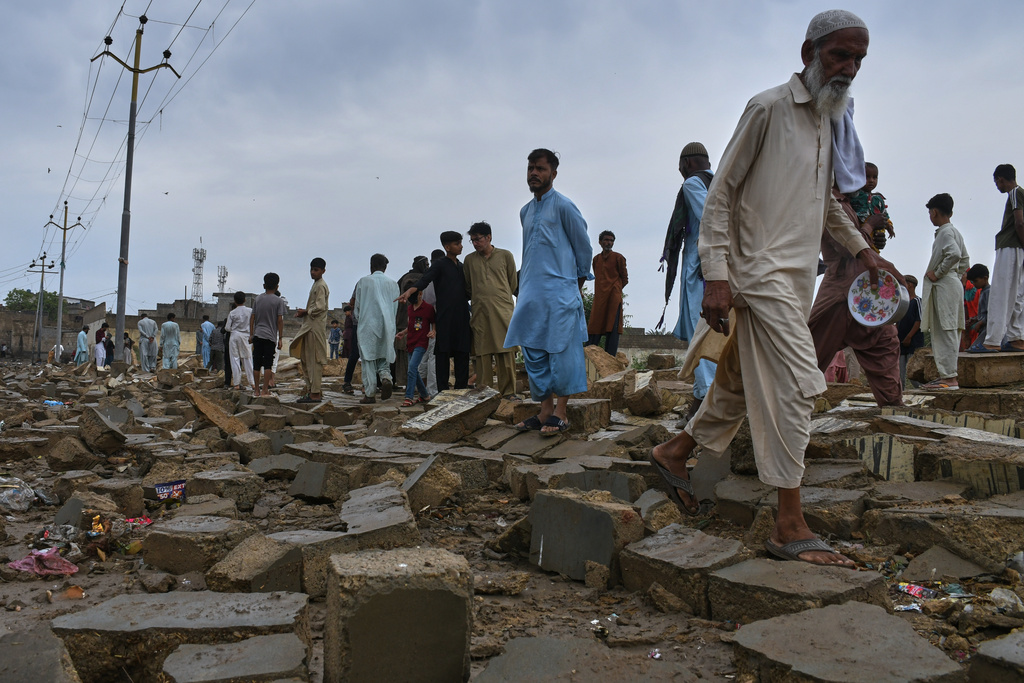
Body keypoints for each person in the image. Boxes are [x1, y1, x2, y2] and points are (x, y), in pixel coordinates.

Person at [649, 10, 886, 567]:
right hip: (757, 274)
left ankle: (675, 450)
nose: (848, 69)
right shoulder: (768, 108)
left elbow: (826, 202)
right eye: (839, 57)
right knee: (799, 382)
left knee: (736, 378)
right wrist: (716, 275)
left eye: (858, 60)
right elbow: (721, 196)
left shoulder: (831, 121)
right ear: (809, 52)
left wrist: (865, 252)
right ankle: (788, 522)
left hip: (797, 277)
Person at [505, 148, 593, 435]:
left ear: (553, 173)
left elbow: (584, 248)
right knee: (533, 352)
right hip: (531, 294)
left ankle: (561, 413)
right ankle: (544, 411)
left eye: (540, 169)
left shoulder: (565, 206)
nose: (534, 173)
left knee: (563, 352)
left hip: (561, 292)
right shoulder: (525, 211)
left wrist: (575, 286)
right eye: (531, 168)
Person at [809, 187, 903, 407]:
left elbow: (863, 246)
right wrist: (869, 226)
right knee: (809, 356)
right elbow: (844, 245)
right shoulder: (832, 201)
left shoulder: (857, 202)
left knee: (885, 343)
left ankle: (893, 411)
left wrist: (873, 236)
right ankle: (782, 409)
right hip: (840, 294)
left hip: (865, 292)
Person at [663, 143, 718, 422]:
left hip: (703, 272)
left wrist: (708, 268)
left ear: (687, 163)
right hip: (715, 270)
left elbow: (711, 220)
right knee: (711, 336)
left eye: (680, 165)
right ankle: (700, 404)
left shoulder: (693, 184)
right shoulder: (719, 180)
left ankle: (704, 408)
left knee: (703, 338)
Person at [398, 234, 472, 391]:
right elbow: (425, 280)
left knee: (462, 353)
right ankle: (442, 391)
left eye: (461, 243)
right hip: (444, 316)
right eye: (457, 243)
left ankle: (461, 390)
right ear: (447, 247)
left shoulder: (461, 266)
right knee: (442, 355)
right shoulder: (440, 265)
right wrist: (411, 290)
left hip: (462, 316)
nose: (461, 246)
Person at [464, 222, 519, 398]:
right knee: (482, 355)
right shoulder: (469, 260)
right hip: (480, 312)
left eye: (478, 239)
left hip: (502, 310)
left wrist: (499, 298)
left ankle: (509, 392)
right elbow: (468, 286)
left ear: (489, 237)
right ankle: (484, 393)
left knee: (506, 352)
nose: (475, 243)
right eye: (472, 240)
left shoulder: (505, 255)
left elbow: (512, 283)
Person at [921, 193, 969, 390]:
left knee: (945, 330)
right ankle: (947, 375)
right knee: (949, 330)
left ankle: (949, 378)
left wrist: (939, 273)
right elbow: (965, 260)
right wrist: (955, 276)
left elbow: (956, 254)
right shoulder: (954, 231)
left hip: (945, 284)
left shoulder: (945, 233)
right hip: (952, 283)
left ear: (934, 212)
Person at [977, 165, 1024, 352]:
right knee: (1018, 294)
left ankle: (992, 341)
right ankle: (1017, 338)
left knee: (1000, 292)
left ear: (1001, 179)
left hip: (1010, 246)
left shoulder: (1014, 193)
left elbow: (1019, 222)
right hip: (1019, 249)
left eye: (996, 181)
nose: (997, 185)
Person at [355, 254, 400, 403]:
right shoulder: (393, 284)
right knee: (383, 357)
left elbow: (358, 308)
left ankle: (370, 393)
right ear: (385, 267)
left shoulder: (363, 282)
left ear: (371, 265)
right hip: (387, 325)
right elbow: (395, 308)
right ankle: (386, 378)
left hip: (367, 325)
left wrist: (358, 319)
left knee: (368, 359)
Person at [290, 257, 330, 403]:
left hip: (315, 327)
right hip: (310, 326)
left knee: (314, 360)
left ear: (323, 271)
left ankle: (315, 394)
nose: (313, 272)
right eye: (311, 269)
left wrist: (305, 312)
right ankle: (312, 390)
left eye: (316, 270)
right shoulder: (316, 285)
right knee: (307, 359)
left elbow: (320, 307)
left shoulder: (321, 286)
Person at [587, 230, 627, 357]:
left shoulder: (618, 258)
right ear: (600, 242)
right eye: (606, 240)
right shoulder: (596, 259)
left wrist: (615, 288)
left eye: (611, 240)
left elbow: (625, 279)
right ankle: (589, 357)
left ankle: (610, 358)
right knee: (595, 325)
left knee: (612, 327)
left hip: (613, 298)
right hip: (599, 297)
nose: (609, 243)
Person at [251, 273, 287, 398]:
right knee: (268, 364)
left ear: (264, 285)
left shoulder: (258, 299)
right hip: (270, 337)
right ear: (277, 287)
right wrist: (280, 338)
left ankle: (256, 389)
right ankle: (265, 389)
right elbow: (280, 320)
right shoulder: (278, 301)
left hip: (257, 335)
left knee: (256, 363)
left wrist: (251, 334)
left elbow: (252, 317)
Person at [396, 290, 435, 406]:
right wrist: (403, 333)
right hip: (410, 342)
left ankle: (409, 397)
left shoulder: (428, 309)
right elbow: (412, 325)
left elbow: (434, 322)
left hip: (421, 343)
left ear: (420, 294)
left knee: (412, 368)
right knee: (414, 370)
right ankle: (425, 395)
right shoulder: (410, 309)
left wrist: (433, 331)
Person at [848, 161, 895, 250]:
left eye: (874, 177)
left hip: (877, 231)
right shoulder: (854, 195)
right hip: (862, 228)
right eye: (867, 177)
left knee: (874, 249)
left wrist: (889, 226)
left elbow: (884, 215)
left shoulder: (878, 198)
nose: (871, 181)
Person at [418, 249, 445, 397]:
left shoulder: (427, 278)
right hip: (437, 318)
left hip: (425, 318)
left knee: (425, 355)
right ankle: (433, 391)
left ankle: (422, 388)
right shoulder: (439, 276)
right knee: (434, 355)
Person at [896, 275, 924, 388]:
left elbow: (919, 321)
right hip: (901, 341)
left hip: (913, 342)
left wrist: (909, 337)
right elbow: (897, 320)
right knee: (899, 373)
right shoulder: (902, 302)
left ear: (910, 285)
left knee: (913, 372)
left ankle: (921, 391)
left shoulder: (917, 301)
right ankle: (900, 394)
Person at [226, 291, 255, 390]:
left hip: (234, 336)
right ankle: (252, 383)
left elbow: (227, 328)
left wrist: (235, 329)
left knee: (235, 359)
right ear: (245, 300)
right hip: (246, 336)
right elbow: (253, 324)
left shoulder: (232, 313)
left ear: (234, 301)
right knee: (247, 359)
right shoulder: (250, 311)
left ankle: (236, 384)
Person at [965, 265, 991, 353]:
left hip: (989, 329)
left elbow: (992, 313)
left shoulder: (989, 292)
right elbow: (983, 313)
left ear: (985, 278)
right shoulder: (982, 291)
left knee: (974, 349)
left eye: (975, 281)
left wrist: (980, 322)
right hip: (983, 328)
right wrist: (975, 319)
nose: (973, 284)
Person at [341, 304, 358, 393]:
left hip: (354, 333)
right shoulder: (351, 317)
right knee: (353, 355)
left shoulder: (351, 317)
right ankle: (347, 382)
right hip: (351, 335)